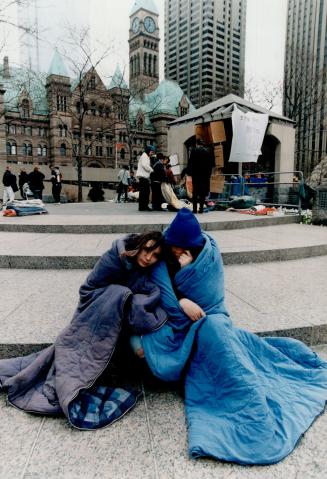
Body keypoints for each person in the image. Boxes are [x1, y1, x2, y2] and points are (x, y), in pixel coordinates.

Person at [140, 208, 327, 465]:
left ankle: (248, 397)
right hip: (179, 328)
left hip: (212, 320)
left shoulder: (208, 256)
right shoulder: (162, 262)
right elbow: (164, 301)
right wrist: (182, 299)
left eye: (180, 247)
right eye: (173, 245)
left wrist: (189, 269)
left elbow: (211, 301)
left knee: (217, 330)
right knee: (210, 333)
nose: (174, 251)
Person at [0, 231, 167, 430]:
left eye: (155, 255)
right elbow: (87, 289)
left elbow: (148, 291)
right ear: (139, 244)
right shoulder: (115, 256)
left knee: (125, 297)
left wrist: (129, 300)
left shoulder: (143, 269)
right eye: (147, 250)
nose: (149, 258)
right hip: (92, 308)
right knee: (119, 294)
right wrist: (119, 296)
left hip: (114, 314)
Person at [188, 139, 215, 213]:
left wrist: (190, 173)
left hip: (196, 175)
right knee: (202, 193)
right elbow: (210, 165)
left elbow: (191, 163)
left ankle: (194, 209)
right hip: (205, 176)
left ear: (197, 144)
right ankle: (201, 209)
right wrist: (209, 175)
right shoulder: (208, 152)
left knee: (195, 192)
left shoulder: (194, 151)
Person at [136, 145, 155, 211]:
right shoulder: (145, 156)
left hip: (143, 177)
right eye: (151, 151)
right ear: (148, 150)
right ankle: (144, 206)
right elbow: (145, 165)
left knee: (143, 192)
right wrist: (151, 170)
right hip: (143, 177)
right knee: (145, 192)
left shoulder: (145, 156)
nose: (152, 153)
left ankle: (142, 206)